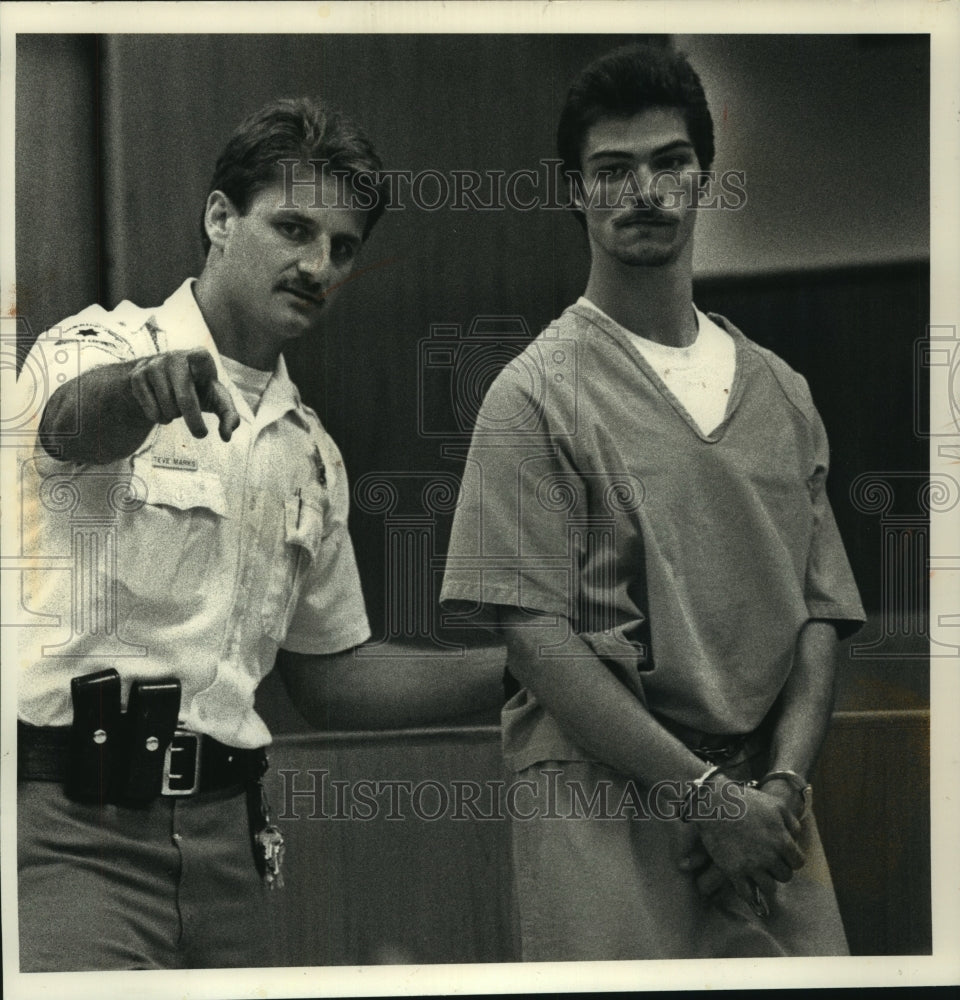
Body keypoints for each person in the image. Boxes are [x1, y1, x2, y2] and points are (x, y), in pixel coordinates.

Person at [15, 97, 500, 972]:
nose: (317, 264)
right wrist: (140, 389)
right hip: (72, 834)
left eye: (342, 248)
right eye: (293, 228)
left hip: (227, 850)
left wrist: (520, 669)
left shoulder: (311, 450)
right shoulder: (99, 343)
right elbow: (70, 422)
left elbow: (334, 679)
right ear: (219, 218)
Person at [440, 44, 866, 960]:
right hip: (609, 802)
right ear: (574, 192)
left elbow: (820, 615)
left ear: (703, 176)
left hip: (768, 817)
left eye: (670, 162)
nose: (644, 189)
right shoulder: (534, 395)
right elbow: (536, 641)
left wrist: (780, 786)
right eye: (612, 169)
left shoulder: (782, 391)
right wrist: (705, 797)